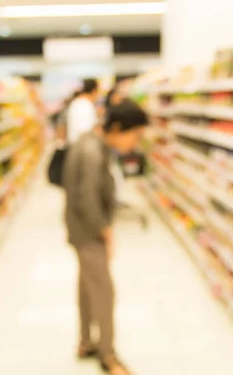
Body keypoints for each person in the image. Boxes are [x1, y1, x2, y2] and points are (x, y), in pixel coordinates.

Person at [62, 101, 149, 375]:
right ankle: (108, 356)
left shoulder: (91, 143)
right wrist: (106, 231)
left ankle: (86, 341)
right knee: (104, 291)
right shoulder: (91, 151)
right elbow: (87, 199)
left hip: (80, 227)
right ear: (117, 128)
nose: (135, 143)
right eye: (134, 135)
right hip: (88, 230)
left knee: (88, 285)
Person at [66, 78, 100, 144]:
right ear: (94, 90)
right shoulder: (84, 105)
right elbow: (85, 130)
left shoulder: (79, 103)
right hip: (82, 147)